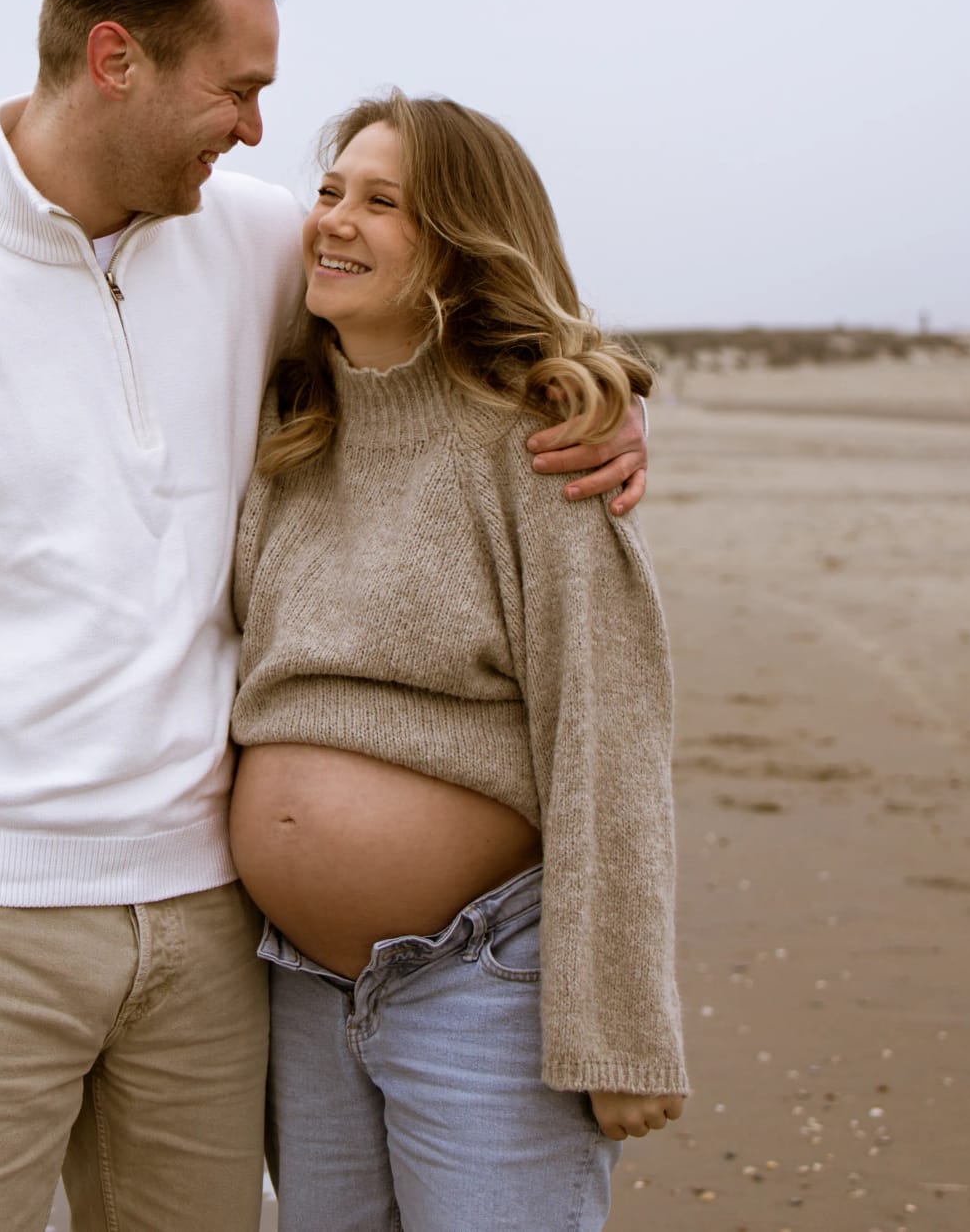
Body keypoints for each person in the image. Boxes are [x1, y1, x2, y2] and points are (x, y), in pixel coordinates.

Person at [0, 0, 649, 1232]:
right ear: (117, 58)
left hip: (210, 920)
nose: (258, 131)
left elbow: (457, 280)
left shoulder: (251, 240)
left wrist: (609, 395)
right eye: (238, 88)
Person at [231, 91, 684, 1229]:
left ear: (462, 245)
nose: (335, 219)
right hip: (297, 987)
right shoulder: (282, 434)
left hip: (481, 985)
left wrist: (620, 1024)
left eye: (384, 203)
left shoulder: (534, 445)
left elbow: (607, 735)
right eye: (329, 190)